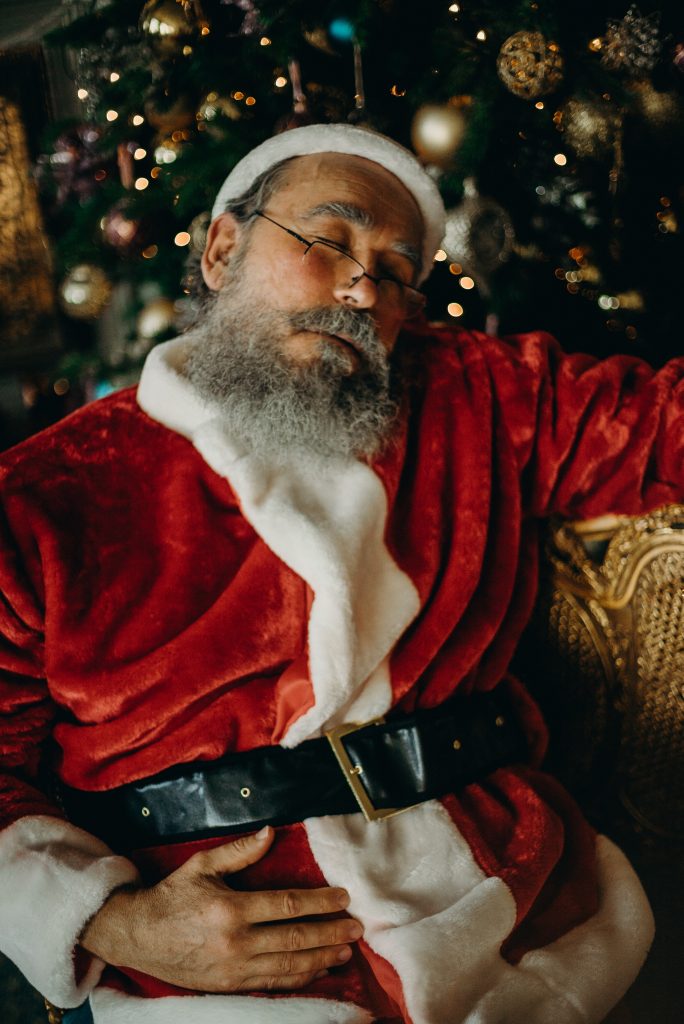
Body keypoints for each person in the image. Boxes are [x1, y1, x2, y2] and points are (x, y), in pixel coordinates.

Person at [0, 124, 681, 1024]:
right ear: (222, 248)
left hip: (517, 912)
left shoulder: (473, 394)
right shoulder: (46, 493)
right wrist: (113, 925)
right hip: (218, 976)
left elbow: (659, 426)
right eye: (329, 242)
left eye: (396, 274)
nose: (362, 288)